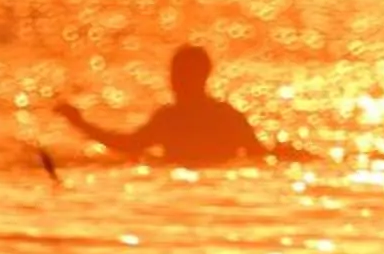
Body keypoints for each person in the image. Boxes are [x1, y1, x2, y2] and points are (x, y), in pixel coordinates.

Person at [54, 44, 267, 165]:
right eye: (174, 73)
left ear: (201, 77)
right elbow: (129, 144)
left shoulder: (222, 117)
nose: (174, 80)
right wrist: (80, 124)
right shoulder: (171, 118)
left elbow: (258, 156)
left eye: (182, 74)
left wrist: (81, 124)